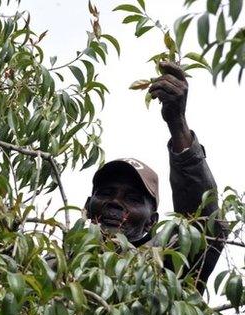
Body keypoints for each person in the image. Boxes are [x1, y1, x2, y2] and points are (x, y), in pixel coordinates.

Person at [84, 62, 225, 292]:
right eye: (106, 193)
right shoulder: (49, 264)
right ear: (88, 207)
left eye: (133, 198)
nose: (115, 202)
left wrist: (177, 123)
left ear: (151, 222)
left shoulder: (165, 267)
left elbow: (203, 224)